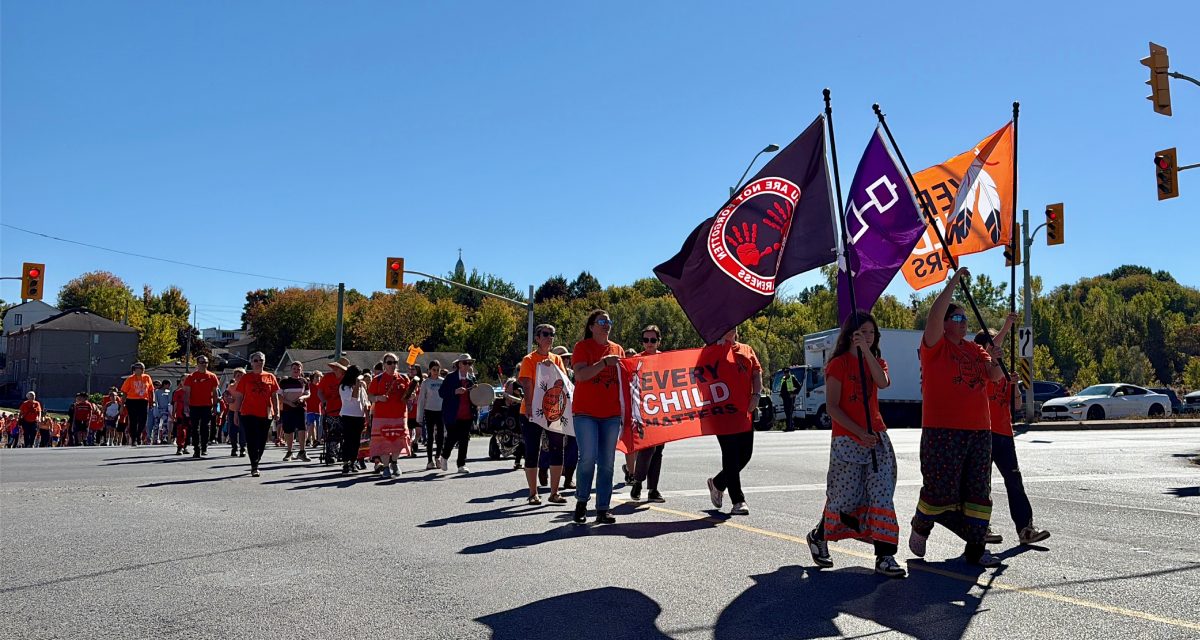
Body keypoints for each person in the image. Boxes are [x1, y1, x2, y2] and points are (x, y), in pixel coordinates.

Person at [908, 268, 1005, 568]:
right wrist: (952, 283)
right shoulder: (935, 346)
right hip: (942, 430)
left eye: (965, 319)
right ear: (946, 324)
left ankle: (975, 549)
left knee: (978, 491)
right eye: (957, 318)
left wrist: (998, 359)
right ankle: (921, 525)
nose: (963, 323)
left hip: (979, 431)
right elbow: (934, 315)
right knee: (940, 490)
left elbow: (995, 377)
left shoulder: (976, 350)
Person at [805, 311, 906, 578]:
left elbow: (883, 383)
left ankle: (885, 556)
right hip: (848, 440)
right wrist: (859, 432)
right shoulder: (838, 365)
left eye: (872, 333)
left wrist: (867, 352)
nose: (869, 337)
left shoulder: (877, 362)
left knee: (881, 495)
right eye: (863, 332)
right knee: (845, 500)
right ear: (851, 334)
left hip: (877, 440)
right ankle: (819, 535)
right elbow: (833, 408)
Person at [975, 317, 1052, 547]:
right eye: (992, 344)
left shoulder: (1003, 372)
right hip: (984, 432)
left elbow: (1016, 406)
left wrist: (1015, 388)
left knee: (1014, 480)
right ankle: (980, 528)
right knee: (982, 484)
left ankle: (1025, 528)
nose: (996, 348)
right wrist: (1007, 327)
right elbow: (988, 348)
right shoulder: (981, 367)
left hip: (1004, 433)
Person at [570, 310, 625, 525]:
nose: (606, 325)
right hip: (585, 413)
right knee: (588, 458)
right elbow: (581, 375)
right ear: (591, 326)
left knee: (607, 463)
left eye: (609, 321)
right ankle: (581, 502)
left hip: (611, 414)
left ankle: (603, 508)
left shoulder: (617, 349)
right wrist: (604, 363)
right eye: (601, 321)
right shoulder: (581, 347)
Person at [706, 326, 763, 516]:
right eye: (726, 324)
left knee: (745, 454)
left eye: (734, 324)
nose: (731, 327)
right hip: (723, 413)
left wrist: (756, 395)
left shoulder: (746, 349)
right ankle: (738, 500)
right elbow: (700, 374)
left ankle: (718, 483)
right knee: (730, 454)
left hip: (745, 411)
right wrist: (717, 350)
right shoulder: (712, 350)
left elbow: (756, 372)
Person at [518, 324, 569, 505]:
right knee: (532, 450)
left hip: (553, 411)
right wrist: (530, 405)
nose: (549, 338)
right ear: (537, 338)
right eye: (546, 334)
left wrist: (552, 369)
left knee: (557, 449)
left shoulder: (556, 359)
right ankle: (533, 493)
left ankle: (554, 493)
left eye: (552, 335)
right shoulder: (529, 359)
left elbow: (562, 382)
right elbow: (526, 383)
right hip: (531, 410)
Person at [630, 325, 667, 503]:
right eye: (646, 340)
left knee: (658, 450)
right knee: (648, 447)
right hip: (642, 410)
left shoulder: (665, 358)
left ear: (659, 341)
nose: (649, 343)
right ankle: (638, 481)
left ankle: (653, 489)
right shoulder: (636, 359)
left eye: (653, 340)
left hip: (661, 409)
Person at [232, 352, 281, 477]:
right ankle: (254, 465)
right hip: (248, 412)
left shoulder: (270, 377)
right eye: (256, 360)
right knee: (252, 438)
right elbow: (239, 397)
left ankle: (256, 459)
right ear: (251, 363)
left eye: (261, 360)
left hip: (265, 412)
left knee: (262, 440)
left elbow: (274, 395)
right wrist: (236, 413)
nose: (259, 362)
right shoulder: (246, 378)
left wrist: (277, 411)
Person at [368, 353, 415, 478]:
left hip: (399, 416)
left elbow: (408, 395)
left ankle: (394, 462)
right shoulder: (377, 379)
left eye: (395, 362)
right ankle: (386, 466)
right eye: (389, 362)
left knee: (399, 442)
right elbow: (370, 396)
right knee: (383, 443)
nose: (393, 365)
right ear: (384, 365)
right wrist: (378, 398)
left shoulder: (404, 378)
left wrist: (411, 396)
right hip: (382, 417)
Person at [437, 354, 478, 474]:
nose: (467, 365)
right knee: (452, 437)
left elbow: (475, 396)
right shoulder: (450, 377)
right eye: (465, 363)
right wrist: (455, 391)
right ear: (459, 364)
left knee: (464, 439)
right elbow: (441, 393)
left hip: (467, 413)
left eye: (469, 363)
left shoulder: (472, 379)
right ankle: (444, 456)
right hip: (452, 413)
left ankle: (461, 464)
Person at [182, 356, 220, 458]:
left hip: (207, 406)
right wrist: (186, 406)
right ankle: (196, 448)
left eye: (206, 362)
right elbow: (186, 393)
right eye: (202, 362)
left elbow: (215, 392)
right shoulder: (191, 377)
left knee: (205, 427)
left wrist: (215, 406)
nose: (204, 364)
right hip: (194, 406)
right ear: (197, 364)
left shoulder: (212, 376)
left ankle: (204, 447)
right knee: (195, 428)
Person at [337, 364, 369, 475]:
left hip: (359, 417)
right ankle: (345, 462)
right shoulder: (344, 387)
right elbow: (353, 397)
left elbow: (365, 402)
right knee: (348, 440)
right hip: (347, 416)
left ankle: (353, 461)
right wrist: (356, 386)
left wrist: (367, 417)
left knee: (356, 441)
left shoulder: (361, 387)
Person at [278, 361, 311, 462]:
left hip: (300, 408)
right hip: (288, 409)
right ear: (291, 370)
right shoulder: (284, 382)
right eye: (294, 369)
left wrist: (302, 398)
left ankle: (302, 451)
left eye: (298, 369)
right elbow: (279, 395)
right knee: (288, 430)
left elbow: (308, 393)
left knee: (302, 429)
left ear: (301, 370)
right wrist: (288, 402)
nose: (296, 371)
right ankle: (289, 451)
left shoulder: (304, 381)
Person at [318, 358, 348, 466]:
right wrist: (324, 401)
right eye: (334, 367)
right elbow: (320, 391)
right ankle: (331, 454)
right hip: (330, 410)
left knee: (343, 433)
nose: (334, 369)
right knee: (331, 433)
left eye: (337, 368)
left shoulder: (347, 379)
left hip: (344, 411)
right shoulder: (327, 377)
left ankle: (342, 452)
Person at [417, 360, 445, 471]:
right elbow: (421, 400)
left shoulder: (443, 381)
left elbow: (446, 397)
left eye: (438, 370)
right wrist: (419, 416)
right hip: (429, 411)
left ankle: (438, 456)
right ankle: (429, 461)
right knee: (430, 437)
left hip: (440, 411)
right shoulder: (426, 383)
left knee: (441, 436)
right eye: (434, 370)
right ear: (429, 370)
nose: (436, 372)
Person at [120, 362, 154, 447]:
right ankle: (134, 439)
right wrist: (122, 405)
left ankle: (139, 435)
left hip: (143, 401)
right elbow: (124, 392)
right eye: (138, 368)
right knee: (133, 420)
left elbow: (151, 390)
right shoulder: (130, 379)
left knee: (143, 420)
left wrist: (152, 401)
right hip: (132, 401)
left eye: (142, 368)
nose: (141, 370)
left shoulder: (147, 377)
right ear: (134, 370)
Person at [223, 369, 246, 456]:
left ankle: (243, 448)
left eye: (242, 375)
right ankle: (234, 448)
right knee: (232, 430)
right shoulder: (231, 386)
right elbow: (226, 396)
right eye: (238, 375)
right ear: (234, 377)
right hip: (232, 410)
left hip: (244, 411)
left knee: (242, 430)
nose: (240, 377)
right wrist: (228, 399)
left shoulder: (247, 386)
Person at [407, 364, 424, 457]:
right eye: (410, 369)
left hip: (419, 410)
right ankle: (410, 450)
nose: (411, 371)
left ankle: (415, 442)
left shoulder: (422, 382)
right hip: (409, 411)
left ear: (417, 371)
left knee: (418, 432)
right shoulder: (407, 381)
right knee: (409, 432)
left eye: (413, 369)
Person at [304, 371, 323, 450]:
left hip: (318, 409)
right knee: (312, 424)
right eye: (316, 377)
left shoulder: (320, 387)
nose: (318, 379)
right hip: (309, 408)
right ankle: (314, 439)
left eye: (319, 377)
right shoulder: (309, 386)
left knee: (316, 425)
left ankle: (308, 439)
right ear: (312, 378)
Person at [779, 366, 801, 432]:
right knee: (787, 412)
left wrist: (794, 394)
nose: (786, 373)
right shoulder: (783, 378)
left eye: (787, 372)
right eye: (785, 372)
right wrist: (781, 394)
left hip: (790, 397)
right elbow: (783, 387)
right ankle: (791, 425)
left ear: (789, 372)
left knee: (789, 412)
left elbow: (799, 387)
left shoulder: (792, 378)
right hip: (785, 398)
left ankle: (789, 427)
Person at [154, 380, 173, 444]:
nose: (169, 387)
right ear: (165, 384)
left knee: (165, 425)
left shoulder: (167, 392)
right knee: (156, 425)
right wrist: (156, 409)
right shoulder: (157, 391)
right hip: (158, 409)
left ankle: (164, 438)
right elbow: (155, 401)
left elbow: (169, 400)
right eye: (168, 385)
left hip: (165, 410)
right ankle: (155, 439)